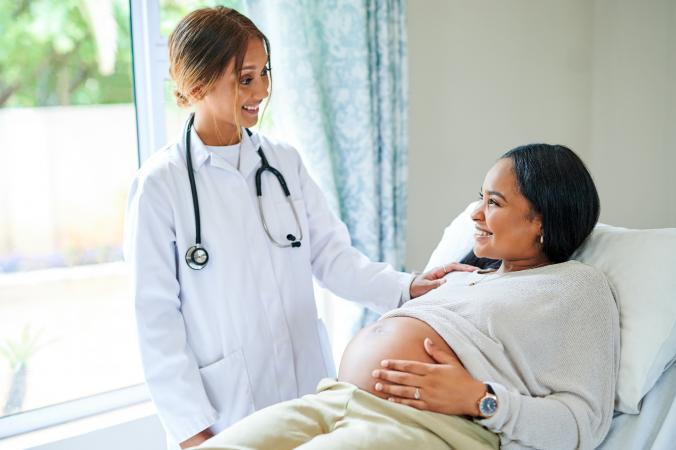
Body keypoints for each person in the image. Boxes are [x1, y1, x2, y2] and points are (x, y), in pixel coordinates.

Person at [123, 7, 460, 449]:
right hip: (224, 414)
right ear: (195, 83)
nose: (261, 89)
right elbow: (156, 322)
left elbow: (332, 257)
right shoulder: (159, 186)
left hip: (307, 395)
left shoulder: (283, 163)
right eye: (245, 78)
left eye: (264, 73)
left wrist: (409, 287)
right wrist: (193, 432)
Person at [192, 144, 620, 450]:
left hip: (426, 426)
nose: (475, 213)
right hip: (333, 399)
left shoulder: (578, 288)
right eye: (479, 198)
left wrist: (480, 398)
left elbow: (584, 425)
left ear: (541, 220)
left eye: (494, 203)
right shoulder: (468, 276)